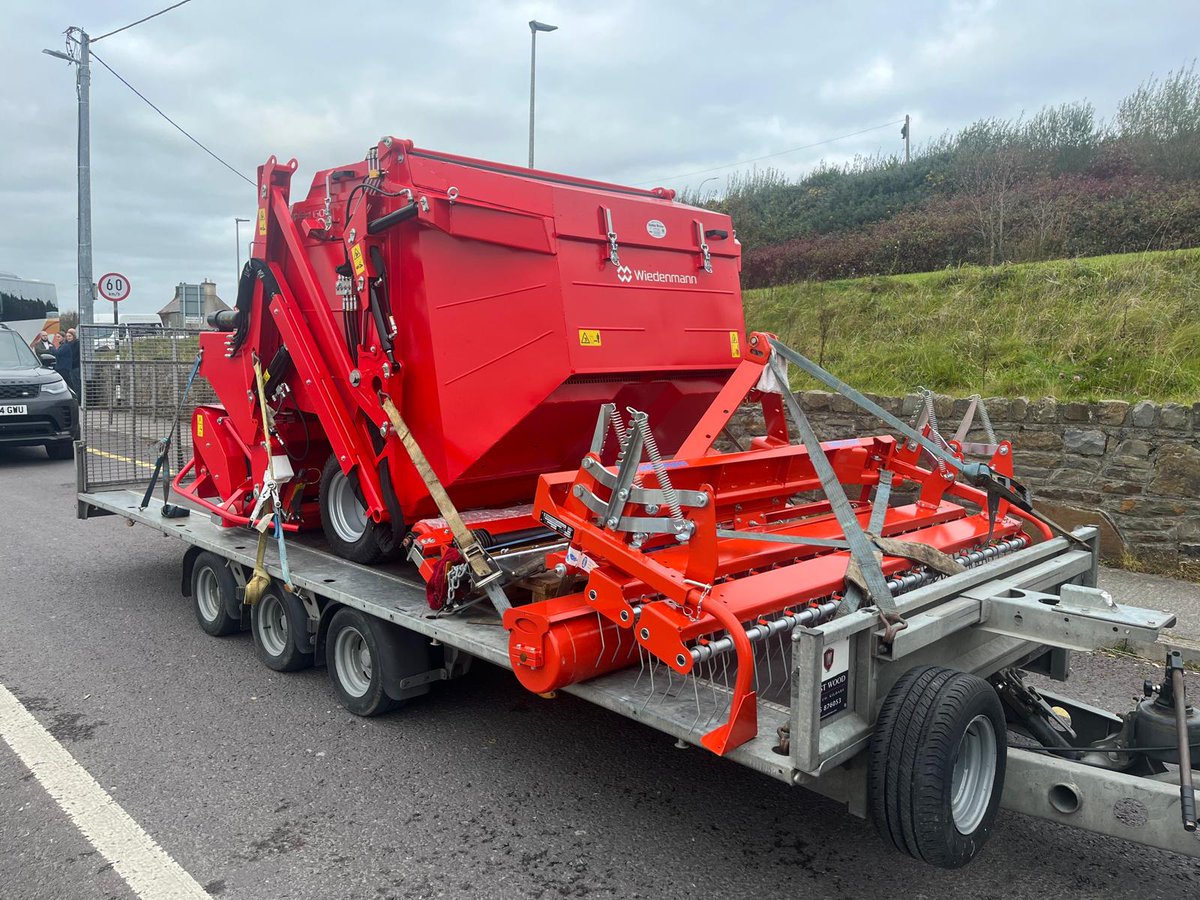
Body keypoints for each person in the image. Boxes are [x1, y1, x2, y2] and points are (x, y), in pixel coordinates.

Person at [57, 328, 81, 398]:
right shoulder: (66, 344)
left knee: (76, 385)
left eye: (70, 336)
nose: (68, 338)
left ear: (74, 336)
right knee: (71, 384)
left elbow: (77, 356)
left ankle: (78, 399)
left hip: (75, 367)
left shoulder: (77, 343)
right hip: (68, 368)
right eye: (67, 336)